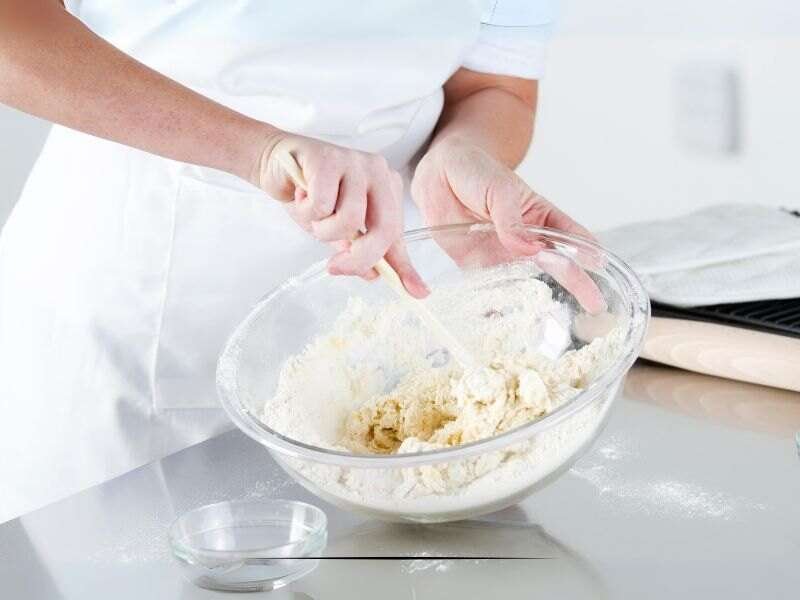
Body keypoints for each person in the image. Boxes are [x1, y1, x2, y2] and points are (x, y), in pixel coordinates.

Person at [0, 0, 596, 522]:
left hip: (397, 307)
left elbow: (496, 87)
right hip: (142, 312)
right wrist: (255, 149)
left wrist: (461, 152)